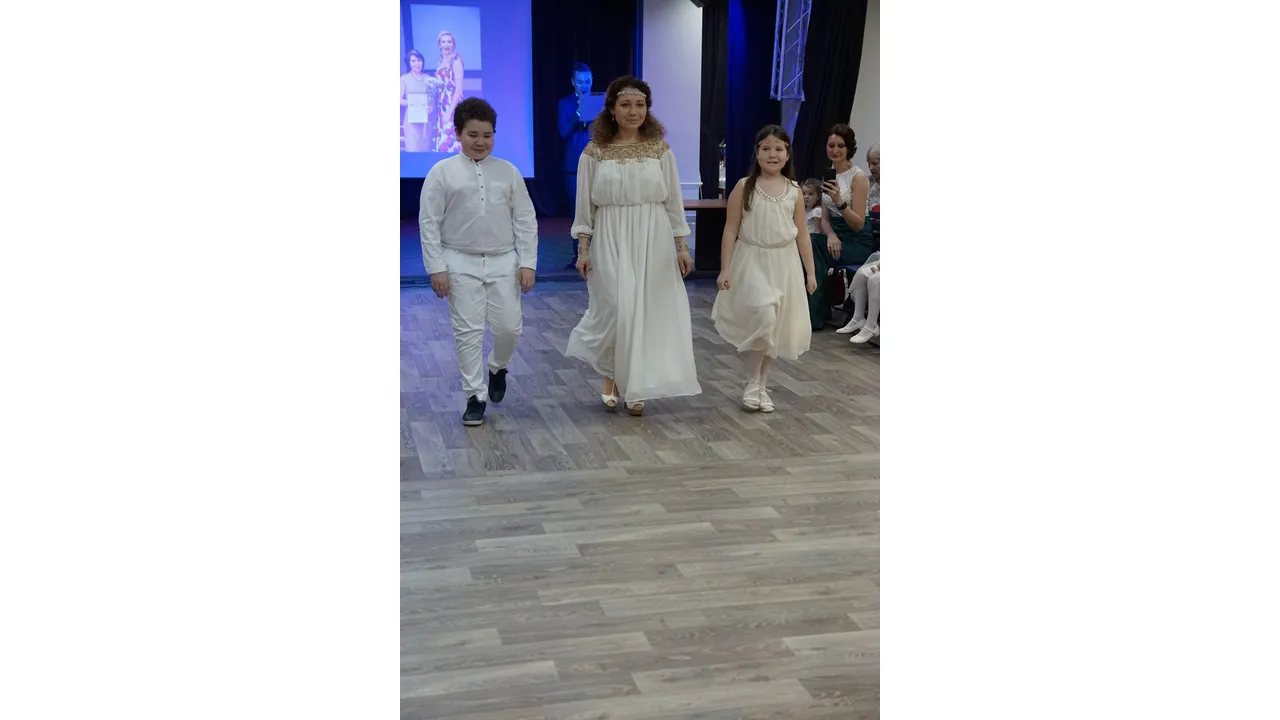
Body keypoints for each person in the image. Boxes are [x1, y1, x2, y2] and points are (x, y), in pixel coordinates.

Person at [567, 75, 700, 416]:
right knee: (616, 306)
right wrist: (583, 249)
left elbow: (673, 202)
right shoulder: (594, 152)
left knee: (644, 310)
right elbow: (585, 206)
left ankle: (636, 383)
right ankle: (611, 376)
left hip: (653, 235)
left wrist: (682, 246)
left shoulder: (660, 150)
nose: (633, 111)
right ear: (611, 109)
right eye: (625, 104)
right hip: (610, 233)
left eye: (640, 105)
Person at [419, 98, 538, 427]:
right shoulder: (441, 172)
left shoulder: (508, 171)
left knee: (509, 328)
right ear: (457, 133)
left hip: (504, 260)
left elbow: (525, 220)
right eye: (473, 134)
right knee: (468, 331)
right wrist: (436, 267)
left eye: (487, 135)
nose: (481, 141)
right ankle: (474, 396)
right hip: (458, 260)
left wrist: (528, 262)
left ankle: (498, 366)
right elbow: (429, 222)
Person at [712, 125, 818, 413]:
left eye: (779, 149)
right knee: (764, 315)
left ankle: (761, 384)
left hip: (784, 263)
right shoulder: (744, 186)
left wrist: (810, 272)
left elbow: (802, 233)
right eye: (766, 148)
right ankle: (752, 381)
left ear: (787, 154)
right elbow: (730, 229)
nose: (773, 154)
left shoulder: (794, 191)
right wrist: (725, 268)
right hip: (752, 260)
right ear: (757, 153)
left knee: (775, 325)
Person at [807, 123, 875, 330]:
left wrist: (839, 201)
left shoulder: (858, 177)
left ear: (849, 148)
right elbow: (825, 219)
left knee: (812, 246)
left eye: (840, 146)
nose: (835, 150)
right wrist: (830, 235)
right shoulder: (828, 176)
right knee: (808, 243)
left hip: (857, 241)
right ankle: (814, 309)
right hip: (836, 238)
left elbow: (858, 224)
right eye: (831, 145)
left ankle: (815, 313)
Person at [837, 142, 881, 342]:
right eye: (869, 163)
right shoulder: (867, 182)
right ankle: (857, 315)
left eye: (876, 163)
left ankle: (868, 320)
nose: (872, 167)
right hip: (868, 235)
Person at [558, 63, 594, 269]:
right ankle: (578, 255)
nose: (584, 85)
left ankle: (598, 254)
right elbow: (563, 132)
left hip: (597, 164)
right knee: (577, 212)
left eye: (588, 81)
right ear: (573, 82)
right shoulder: (565, 104)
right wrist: (579, 114)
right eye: (580, 82)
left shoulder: (601, 103)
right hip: (573, 166)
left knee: (597, 211)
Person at [432, 31, 465, 153]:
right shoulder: (440, 60)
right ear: (439, 45)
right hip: (441, 104)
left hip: (452, 104)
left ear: (453, 44)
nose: (446, 45)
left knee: (451, 140)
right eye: (443, 42)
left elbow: (459, 89)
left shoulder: (456, 61)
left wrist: (449, 112)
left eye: (449, 42)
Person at [400, 50, 436, 152]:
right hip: (411, 120)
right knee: (413, 149)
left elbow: (432, 99)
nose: (417, 64)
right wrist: (414, 103)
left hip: (426, 120)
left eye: (419, 60)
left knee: (426, 149)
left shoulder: (429, 79)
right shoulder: (404, 79)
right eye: (413, 61)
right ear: (409, 63)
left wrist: (431, 106)